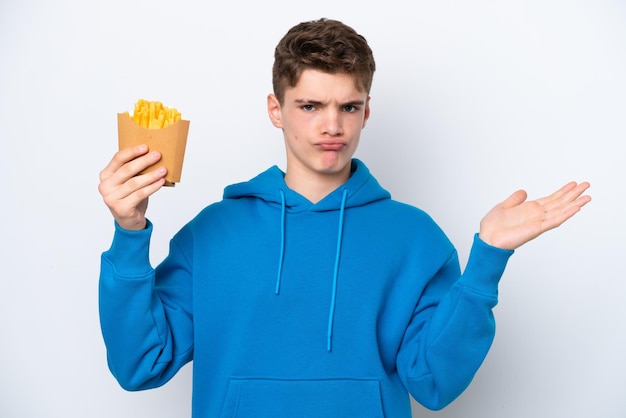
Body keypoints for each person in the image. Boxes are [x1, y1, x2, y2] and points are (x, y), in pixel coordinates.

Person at [98, 18, 591, 418]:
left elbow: (434, 382)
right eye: (310, 105)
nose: (332, 126)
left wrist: (488, 259)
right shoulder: (212, 233)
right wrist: (128, 233)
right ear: (276, 109)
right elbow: (140, 364)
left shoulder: (414, 238)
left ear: (366, 112)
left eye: (348, 107)